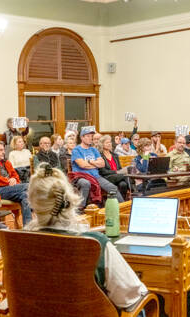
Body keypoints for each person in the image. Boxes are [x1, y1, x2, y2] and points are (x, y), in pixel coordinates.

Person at [26, 163, 148, 309]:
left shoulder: (17, 242)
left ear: (32, 203)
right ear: (70, 201)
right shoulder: (95, 243)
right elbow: (129, 296)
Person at [71, 127, 124, 210]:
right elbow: (82, 165)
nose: (90, 138)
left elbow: (102, 164)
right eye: (87, 136)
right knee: (85, 183)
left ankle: (123, 207)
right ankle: (80, 209)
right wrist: (95, 164)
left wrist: (90, 162)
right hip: (81, 176)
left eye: (91, 136)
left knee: (113, 188)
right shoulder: (76, 150)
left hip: (96, 176)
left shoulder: (94, 150)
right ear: (82, 137)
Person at [0, 141, 32, 225]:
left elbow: (15, 175)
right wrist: (9, 181)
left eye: (3, 150)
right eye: (0, 150)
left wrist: (14, 180)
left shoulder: (6, 162)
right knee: (29, 186)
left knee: (25, 196)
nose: (3, 152)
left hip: (11, 189)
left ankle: (28, 226)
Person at [97, 135, 129, 200]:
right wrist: (116, 172)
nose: (109, 144)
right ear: (102, 144)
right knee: (126, 175)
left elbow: (119, 168)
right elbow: (103, 171)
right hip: (106, 178)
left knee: (123, 184)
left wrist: (121, 171)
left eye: (110, 142)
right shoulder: (99, 156)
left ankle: (122, 204)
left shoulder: (115, 155)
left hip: (118, 177)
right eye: (107, 143)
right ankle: (134, 191)